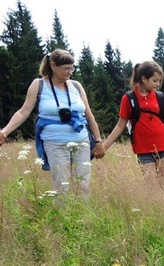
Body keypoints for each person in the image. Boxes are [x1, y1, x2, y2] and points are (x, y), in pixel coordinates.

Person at [0, 49, 105, 198]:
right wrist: (4, 132)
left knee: (82, 185)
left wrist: (98, 141)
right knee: (61, 185)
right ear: (53, 66)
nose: (70, 72)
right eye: (66, 68)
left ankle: (83, 219)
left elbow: (89, 115)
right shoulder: (39, 85)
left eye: (72, 68)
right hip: (55, 143)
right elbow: (23, 112)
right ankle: (62, 219)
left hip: (82, 141)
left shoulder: (76, 86)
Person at [102, 61, 164, 188]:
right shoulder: (128, 99)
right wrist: (104, 147)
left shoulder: (160, 97)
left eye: (159, 81)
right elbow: (120, 126)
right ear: (144, 79)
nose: (158, 84)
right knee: (151, 185)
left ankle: (163, 207)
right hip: (143, 148)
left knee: (163, 184)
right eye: (155, 81)